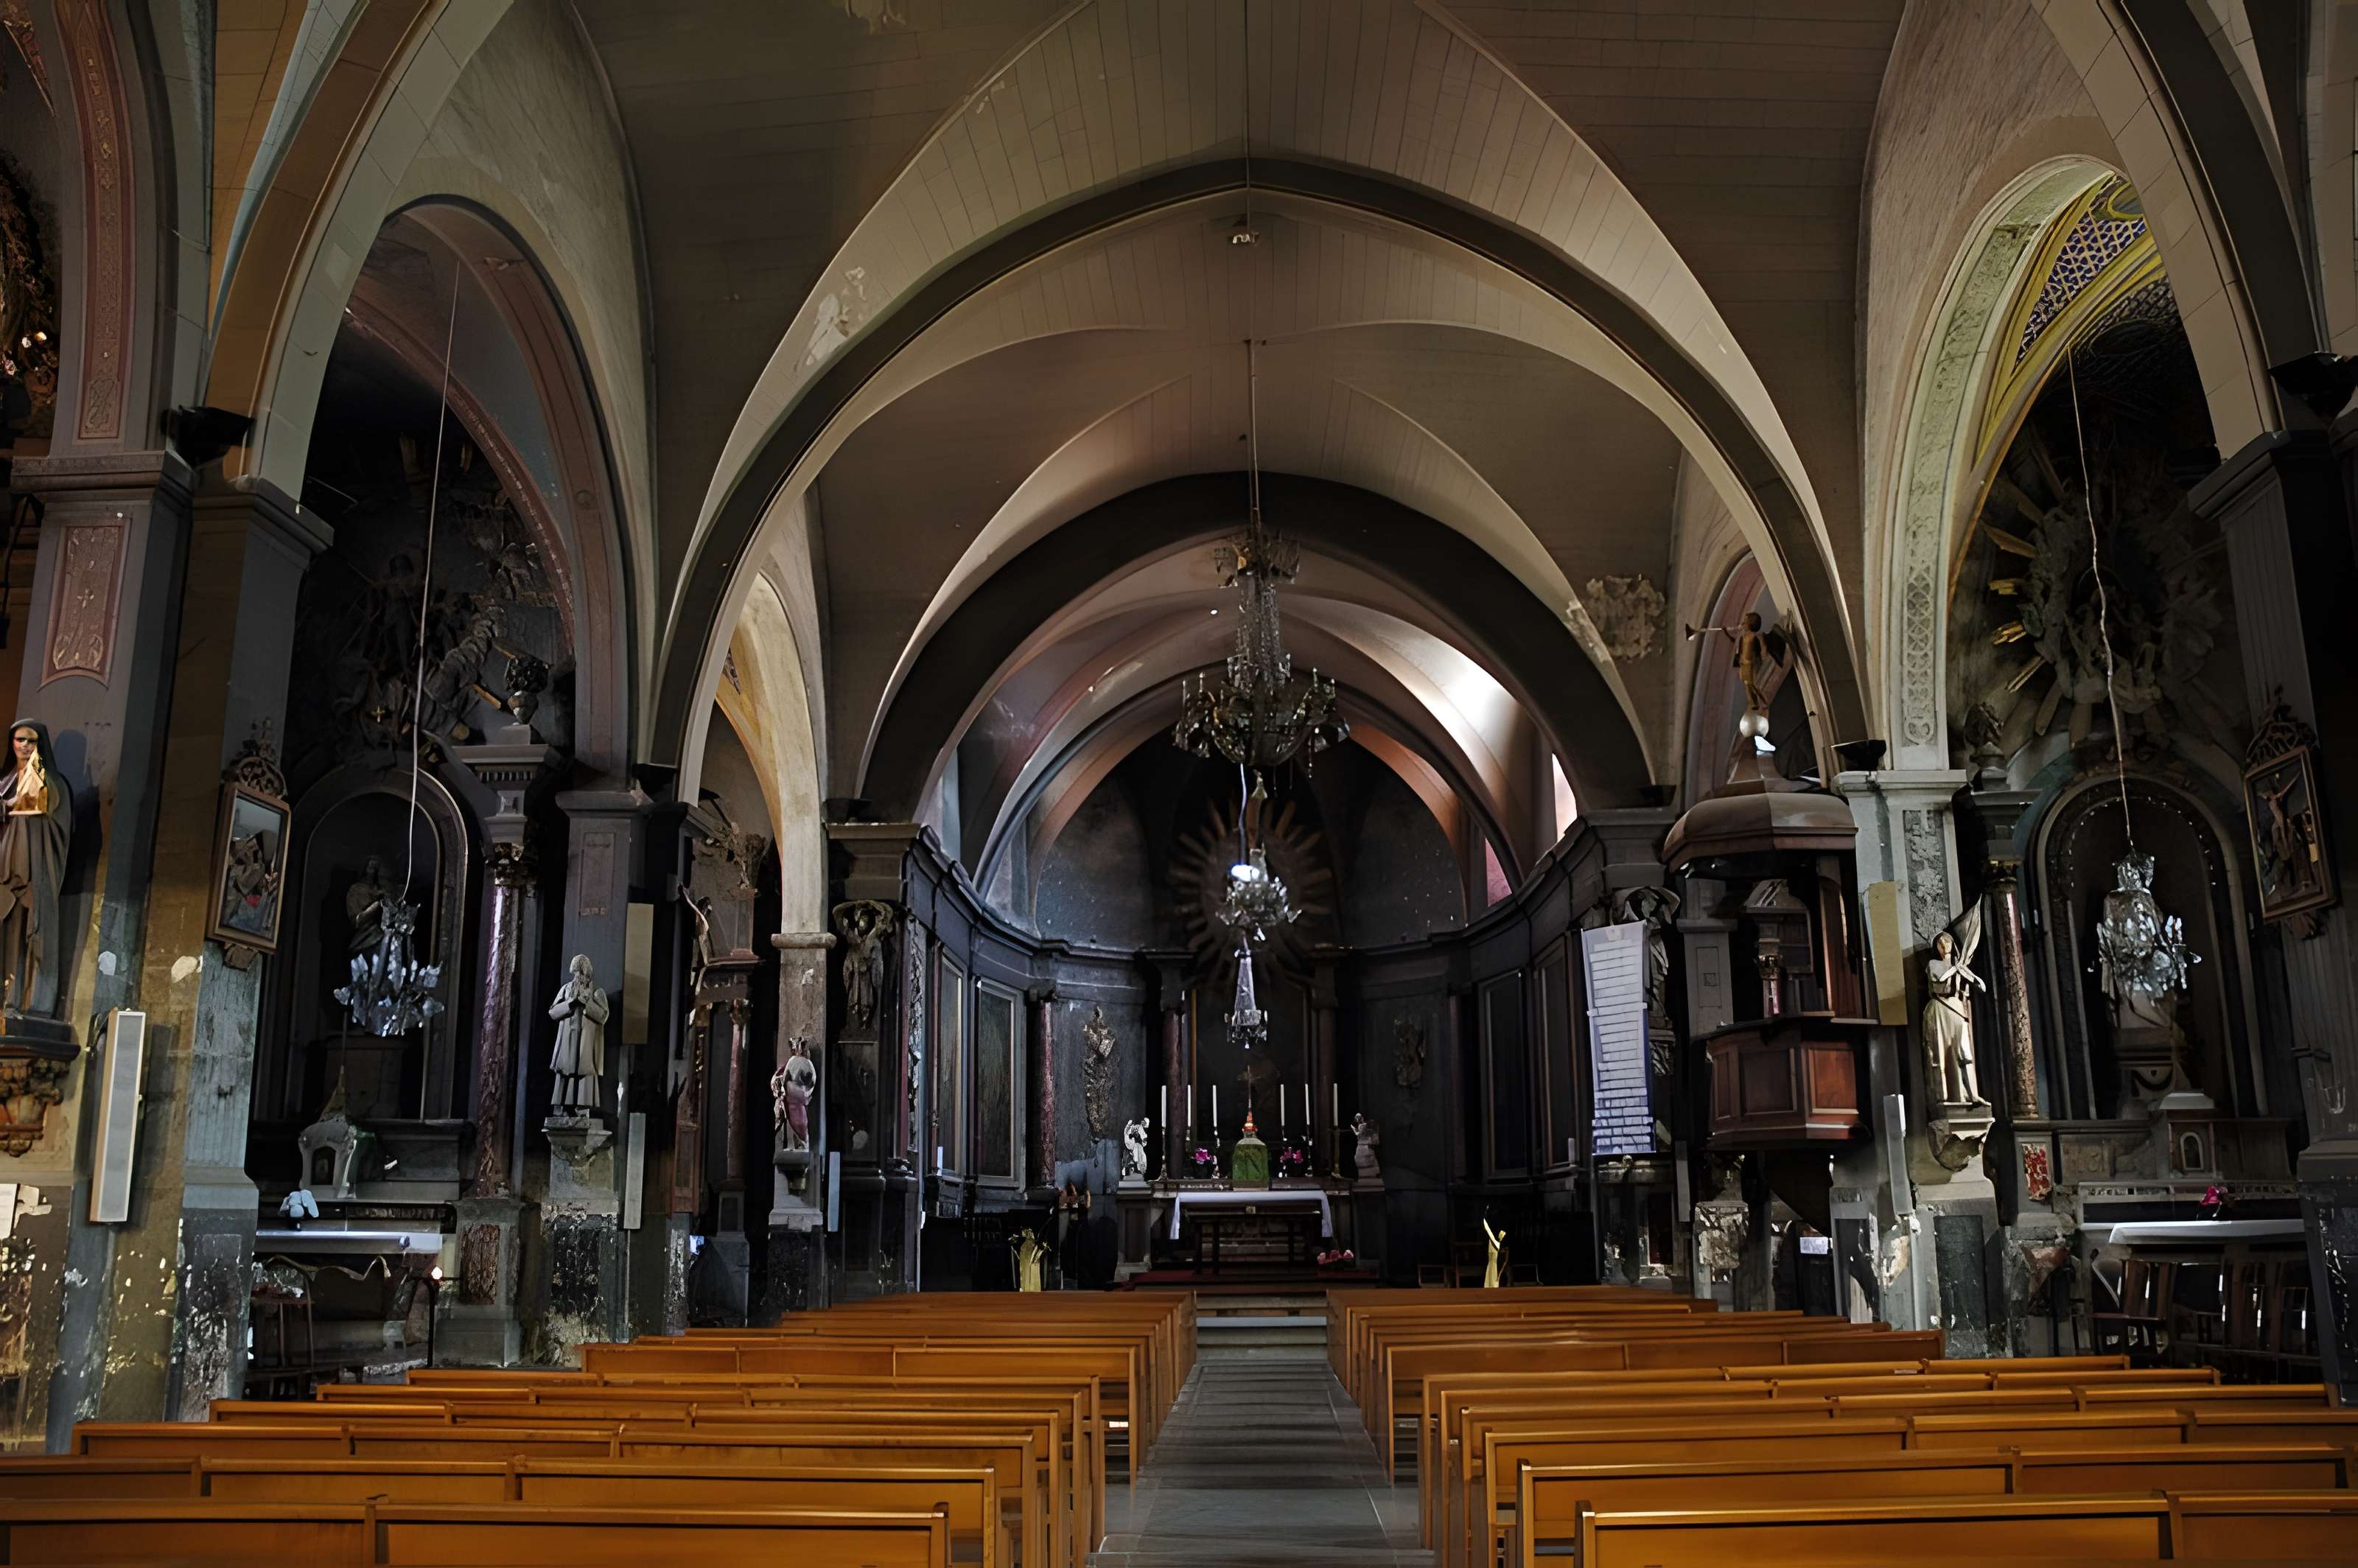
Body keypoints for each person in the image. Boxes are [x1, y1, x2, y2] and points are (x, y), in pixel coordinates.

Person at [0, 721, 70, 1015]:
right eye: (20, 740)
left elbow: (42, 807)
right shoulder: (4, 783)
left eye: (31, 740)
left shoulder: (50, 780)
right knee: (8, 935)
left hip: (36, 868)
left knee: (34, 932)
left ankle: (31, 1004)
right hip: (6, 869)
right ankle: (8, 1001)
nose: (25, 746)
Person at [547, 954, 610, 1116]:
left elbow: (603, 1015)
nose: (578, 977)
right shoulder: (566, 990)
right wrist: (570, 1003)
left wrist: (587, 1003)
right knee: (565, 1070)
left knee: (584, 1072)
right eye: (575, 973)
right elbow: (553, 1012)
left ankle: (582, 1108)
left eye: (580, 973)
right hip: (568, 1040)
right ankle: (560, 1107)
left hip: (585, 1042)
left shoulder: (596, 992)